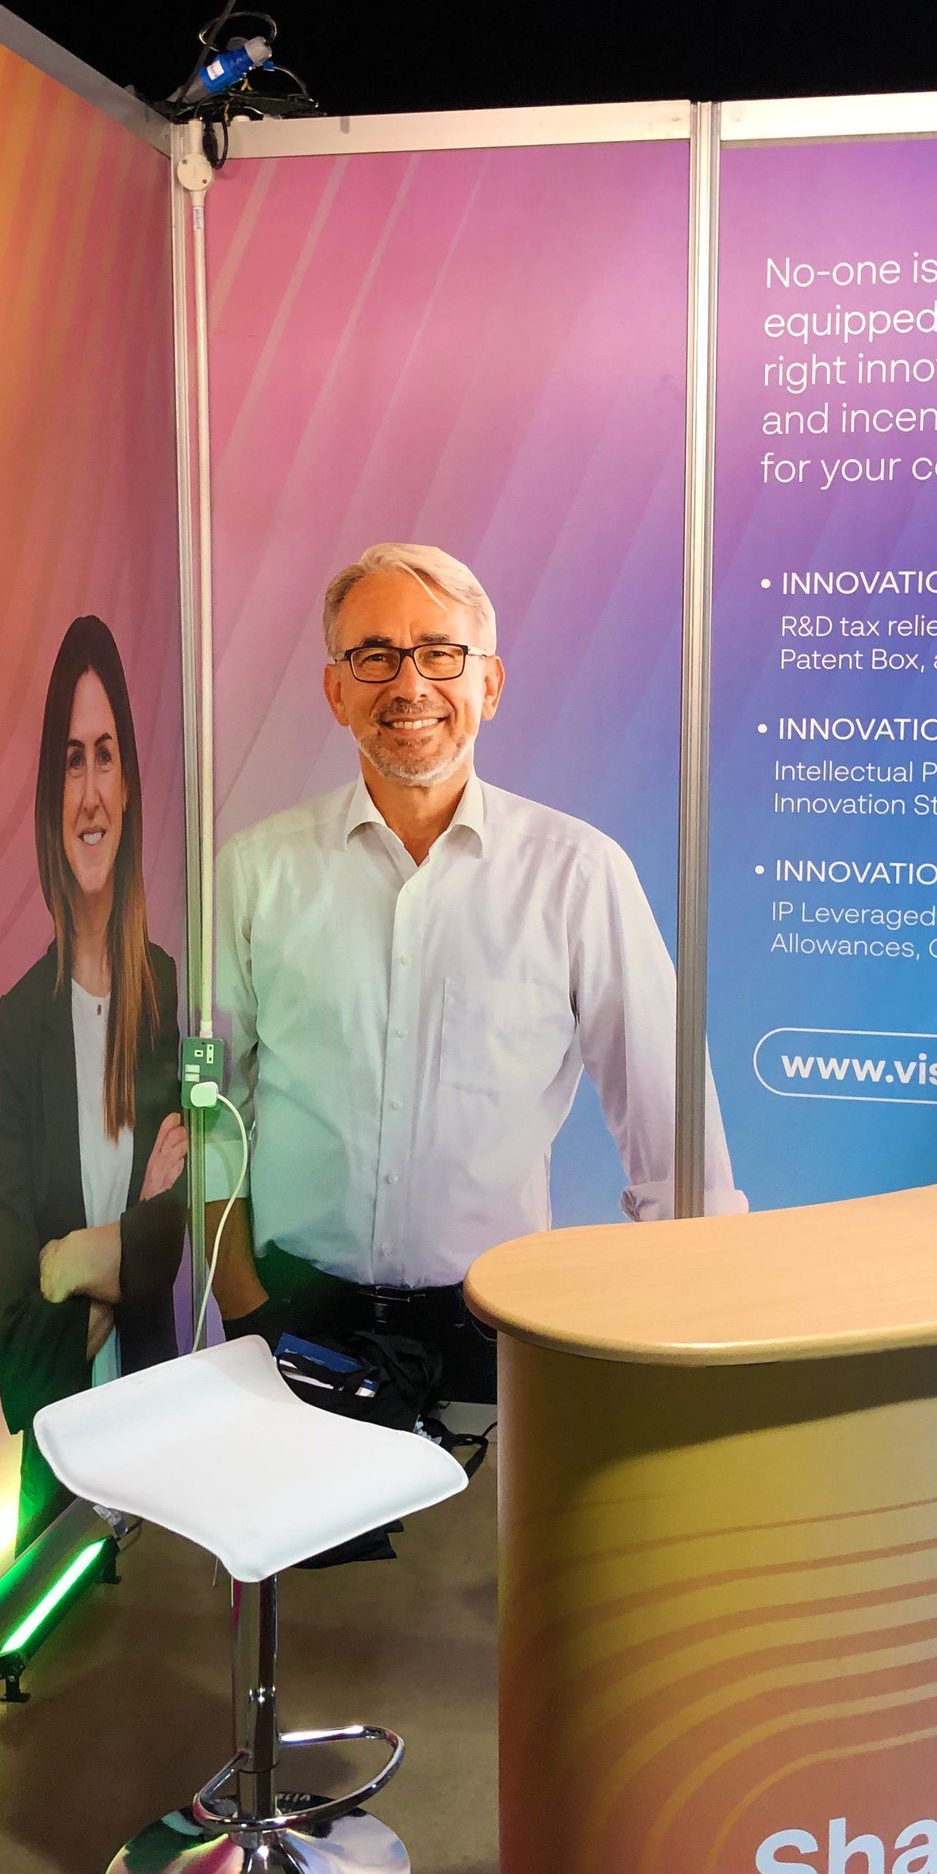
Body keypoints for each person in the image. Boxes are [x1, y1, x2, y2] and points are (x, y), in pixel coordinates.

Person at [206, 541, 741, 1410]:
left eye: (440, 653)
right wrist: (246, 1310)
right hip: (293, 1324)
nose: (408, 685)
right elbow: (212, 1112)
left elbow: (670, 1127)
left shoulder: (578, 874)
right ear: (336, 691)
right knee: (303, 1550)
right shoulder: (255, 872)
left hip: (499, 1335)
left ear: (488, 685)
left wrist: (686, 1333)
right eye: (373, 655)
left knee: (487, 1553)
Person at [0, 615, 186, 1547]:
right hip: (58, 1481)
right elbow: (20, 1362)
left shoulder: (164, 991)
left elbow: (176, 1240)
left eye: (106, 755)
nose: (91, 789)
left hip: (160, 1454)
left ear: (132, 781)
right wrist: (124, 1243)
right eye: (71, 760)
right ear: (48, 792)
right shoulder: (22, 1023)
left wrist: (75, 1262)